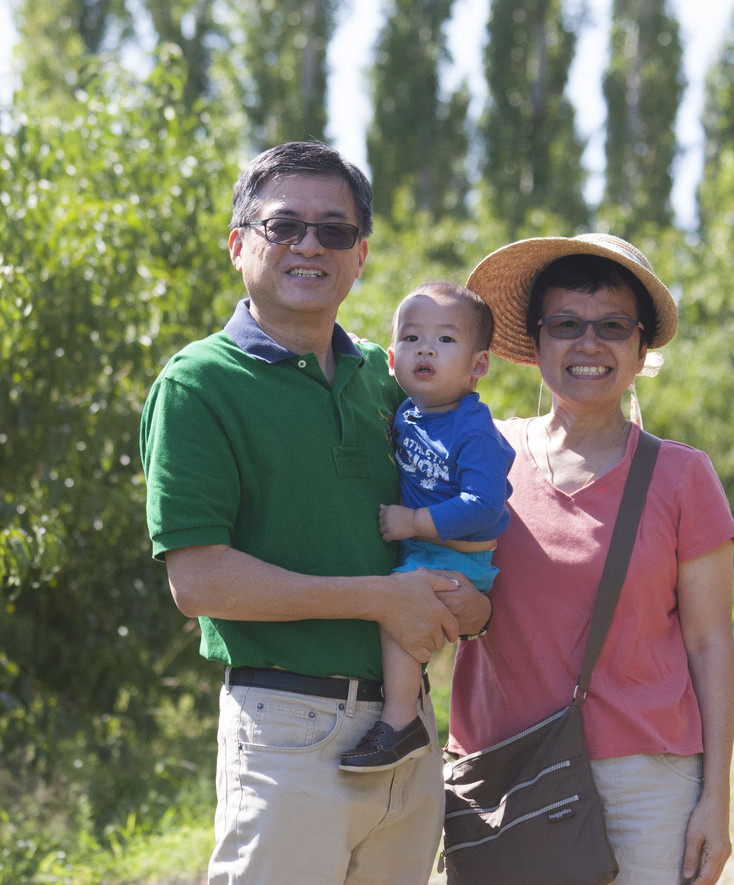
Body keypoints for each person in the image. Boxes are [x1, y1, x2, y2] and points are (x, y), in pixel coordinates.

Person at [139, 141, 491, 884]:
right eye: (282, 225)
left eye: (334, 230)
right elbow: (198, 582)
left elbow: (467, 506)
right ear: (238, 245)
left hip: (410, 729)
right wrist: (380, 598)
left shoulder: (387, 383)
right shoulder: (198, 385)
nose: (309, 244)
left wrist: (471, 602)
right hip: (286, 726)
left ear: (359, 256)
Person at [446, 233, 734, 885]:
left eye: (611, 326)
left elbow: (710, 643)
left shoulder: (683, 476)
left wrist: (714, 801)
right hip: (503, 775)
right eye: (567, 325)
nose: (589, 344)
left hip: (647, 781)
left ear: (640, 347)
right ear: (536, 341)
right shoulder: (481, 455)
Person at [338, 281, 514, 773]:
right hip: (429, 550)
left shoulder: (473, 428)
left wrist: (413, 520)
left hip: (457, 558)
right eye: (413, 339)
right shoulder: (408, 412)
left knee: (400, 603)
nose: (427, 349)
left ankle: (401, 722)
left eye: (446, 340)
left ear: (478, 365)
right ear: (394, 359)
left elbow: (483, 505)